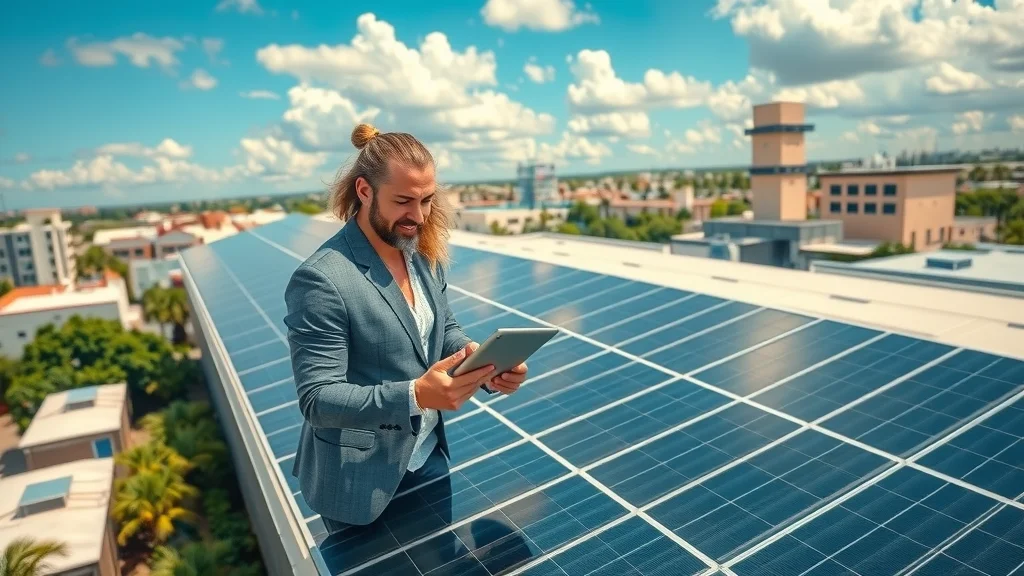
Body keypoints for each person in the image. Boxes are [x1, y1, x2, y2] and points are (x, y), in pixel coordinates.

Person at [283, 123, 529, 533]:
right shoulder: (321, 279)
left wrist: (480, 361)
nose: (418, 216)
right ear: (364, 191)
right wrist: (416, 394)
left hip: (428, 457)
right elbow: (319, 400)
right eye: (403, 201)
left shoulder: (423, 255)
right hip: (358, 483)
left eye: (427, 200)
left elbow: (439, 330)